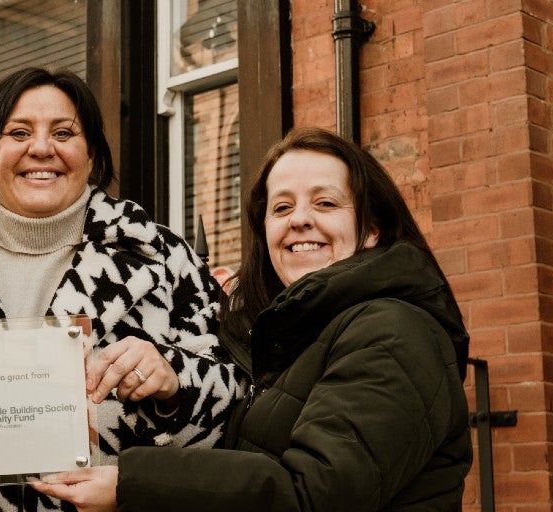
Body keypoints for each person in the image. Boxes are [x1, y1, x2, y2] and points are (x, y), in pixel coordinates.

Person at [31, 127, 473, 511]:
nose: (299, 219)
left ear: (372, 229)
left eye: (325, 203)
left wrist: (132, 483)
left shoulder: (391, 331)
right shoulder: (288, 337)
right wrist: (174, 388)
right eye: (281, 208)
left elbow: (314, 496)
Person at [0, 68, 241, 512]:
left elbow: (233, 422)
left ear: (92, 155)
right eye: (18, 132)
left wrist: (174, 382)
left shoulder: (164, 259)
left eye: (64, 132)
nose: (41, 149)